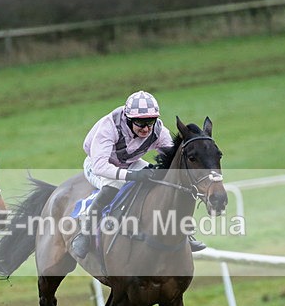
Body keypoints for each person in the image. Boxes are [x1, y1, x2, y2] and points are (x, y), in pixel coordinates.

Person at [72, 90, 205, 258]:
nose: (146, 128)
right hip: (97, 164)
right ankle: (84, 232)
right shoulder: (109, 128)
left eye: (150, 122)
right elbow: (101, 167)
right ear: (129, 120)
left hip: (129, 162)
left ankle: (182, 231)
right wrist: (132, 176)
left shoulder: (158, 130)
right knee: (114, 185)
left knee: (161, 180)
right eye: (141, 123)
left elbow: (172, 159)